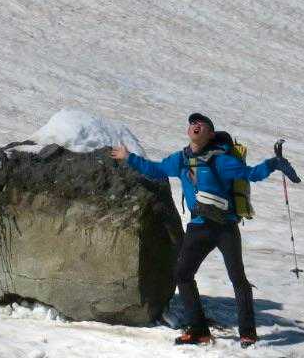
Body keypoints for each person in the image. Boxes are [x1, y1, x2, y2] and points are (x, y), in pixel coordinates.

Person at [110, 113, 294, 348]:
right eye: (192, 123)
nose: (195, 125)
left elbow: (251, 174)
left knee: (238, 279)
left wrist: (274, 163)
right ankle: (199, 331)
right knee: (182, 274)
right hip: (198, 227)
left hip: (225, 227)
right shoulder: (180, 160)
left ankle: (248, 333)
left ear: (210, 134)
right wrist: (129, 157)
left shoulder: (222, 161)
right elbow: (155, 169)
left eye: (201, 124)